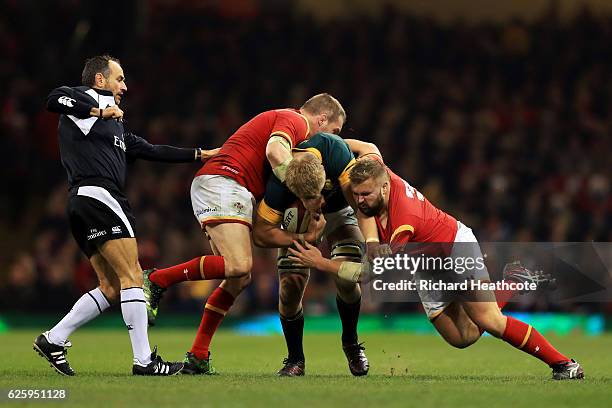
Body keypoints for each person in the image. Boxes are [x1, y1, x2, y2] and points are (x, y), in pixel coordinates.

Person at [288, 157, 585, 380]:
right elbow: (364, 150)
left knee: (492, 322)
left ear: (385, 186)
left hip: (454, 248)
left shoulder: (403, 221)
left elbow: (368, 275)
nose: (360, 200)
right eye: (357, 193)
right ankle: (513, 280)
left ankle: (563, 364)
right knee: (462, 338)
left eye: (366, 194)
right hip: (427, 263)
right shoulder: (378, 173)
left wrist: (320, 262)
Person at [34, 55, 215, 376]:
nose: (125, 86)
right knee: (133, 274)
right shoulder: (85, 101)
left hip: (82, 201)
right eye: (120, 79)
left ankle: (54, 338)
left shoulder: (113, 126)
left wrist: (200, 154)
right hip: (99, 194)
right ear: (100, 80)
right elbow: (53, 99)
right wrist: (98, 110)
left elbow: (150, 149)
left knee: (109, 286)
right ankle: (144, 361)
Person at [143, 94, 346, 374]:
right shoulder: (295, 120)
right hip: (226, 180)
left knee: (239, 278)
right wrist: (305, 190)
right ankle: (155, 280)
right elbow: (275, 152)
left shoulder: (292, 127)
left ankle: (199, 355)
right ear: (321, 119)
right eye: (334, 132)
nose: (331, 140)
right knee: (239, 264)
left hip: (228, 185)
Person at [252, 133, 379, 376]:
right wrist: (305, 239)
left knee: (347, 276)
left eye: (318, 193)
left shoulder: (338, 157)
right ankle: (295, 360)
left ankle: (351, 344)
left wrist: (372, 242)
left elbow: (361, 204)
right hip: (298, 224)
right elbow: (260, 234)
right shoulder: (279, 184)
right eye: (307, 197)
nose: (316, 201)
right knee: (289, 288)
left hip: (341, 212)